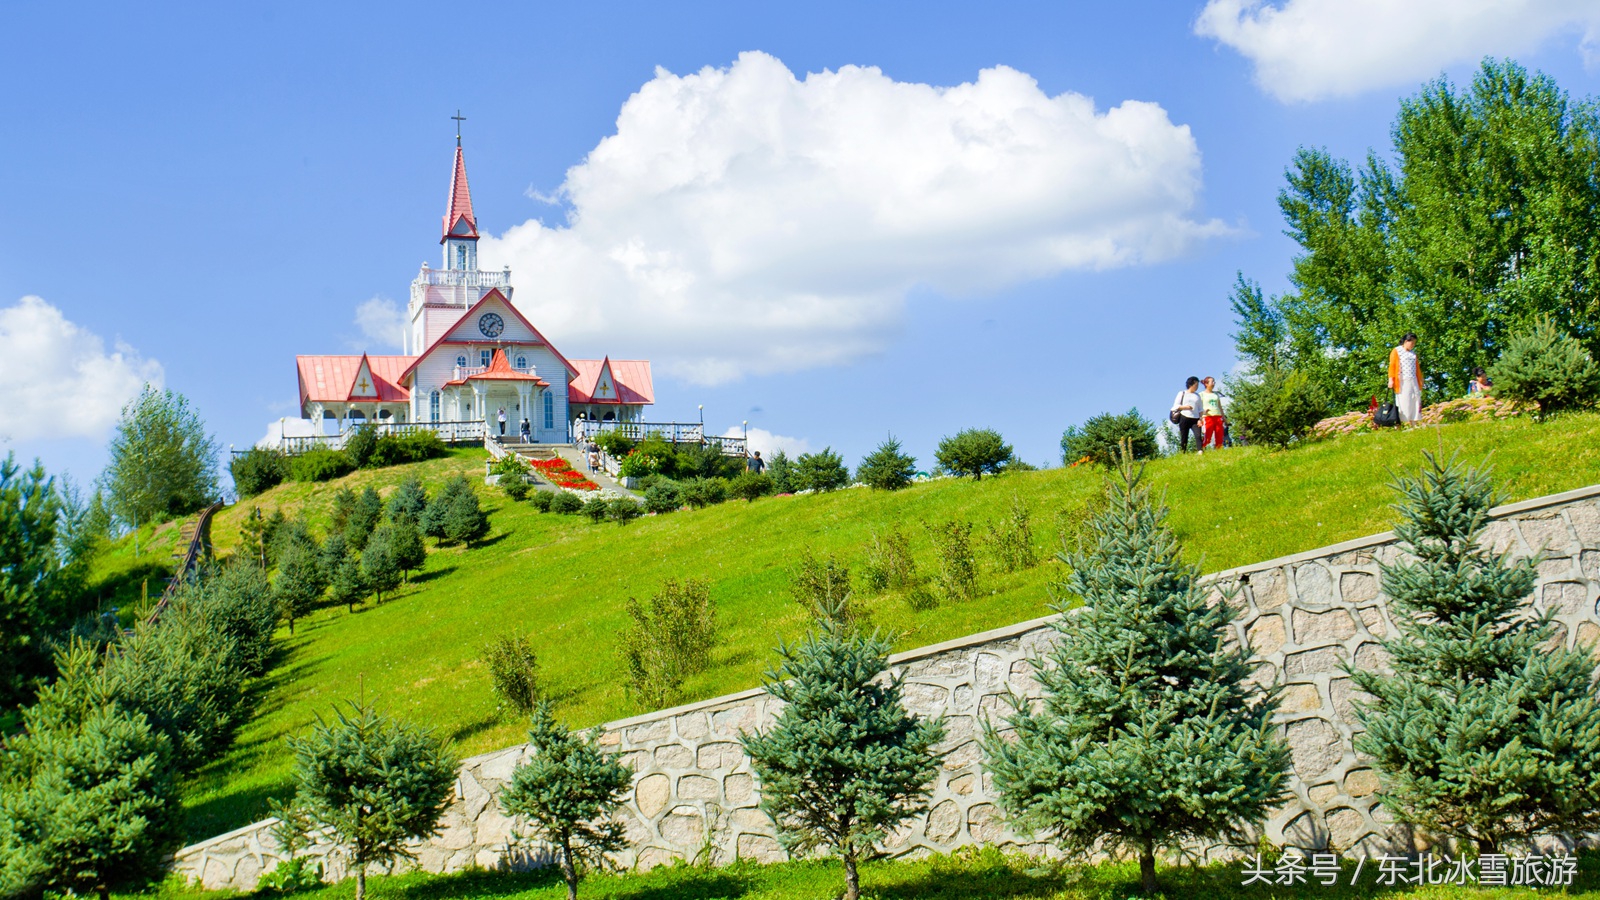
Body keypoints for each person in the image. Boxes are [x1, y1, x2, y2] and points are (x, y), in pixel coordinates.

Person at [1388, 333, 1423, 424]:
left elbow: (1417, 368)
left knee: (1415, 399)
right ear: (1406, 341)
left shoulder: (1413, 354)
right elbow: (1392, 366)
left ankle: (1414, 421)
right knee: (1405, 400)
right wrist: (1391, 379)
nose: (1413, 345)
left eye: (1414, 343)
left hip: (1413, 379)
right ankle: (1403, 422)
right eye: (1412, 343)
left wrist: (1420, 380)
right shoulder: (1397, 351)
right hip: (1402, 380)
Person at [1170, 376, 1203, 452]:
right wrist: (1185, 407)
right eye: (1196, 385)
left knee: (1198, 435)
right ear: (1191, 384)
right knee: (1184, 437)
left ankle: (1200, 451)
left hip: (1195, 418)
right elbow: (1175, 406)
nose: (1197, 387)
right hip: (1184, 417)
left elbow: (1200, 409)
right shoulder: (1182, 393)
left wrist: (1200, 419)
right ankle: (1183, 452)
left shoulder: (1197, 396)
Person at [1199, 376, 1226, 451]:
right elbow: (1198, 407)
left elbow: (1220, 406)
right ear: (1206, 384)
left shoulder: (1216, 394)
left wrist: (1224, 417)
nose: (1213, 383)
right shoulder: (1201, 394)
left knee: (1219, 435)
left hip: (1218, 416)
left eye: (1214, 382)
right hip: (1208, 417)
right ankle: (1202, 449)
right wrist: (1201, 417)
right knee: (1208, 435)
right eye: (1212, 382)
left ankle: (1219, 450)